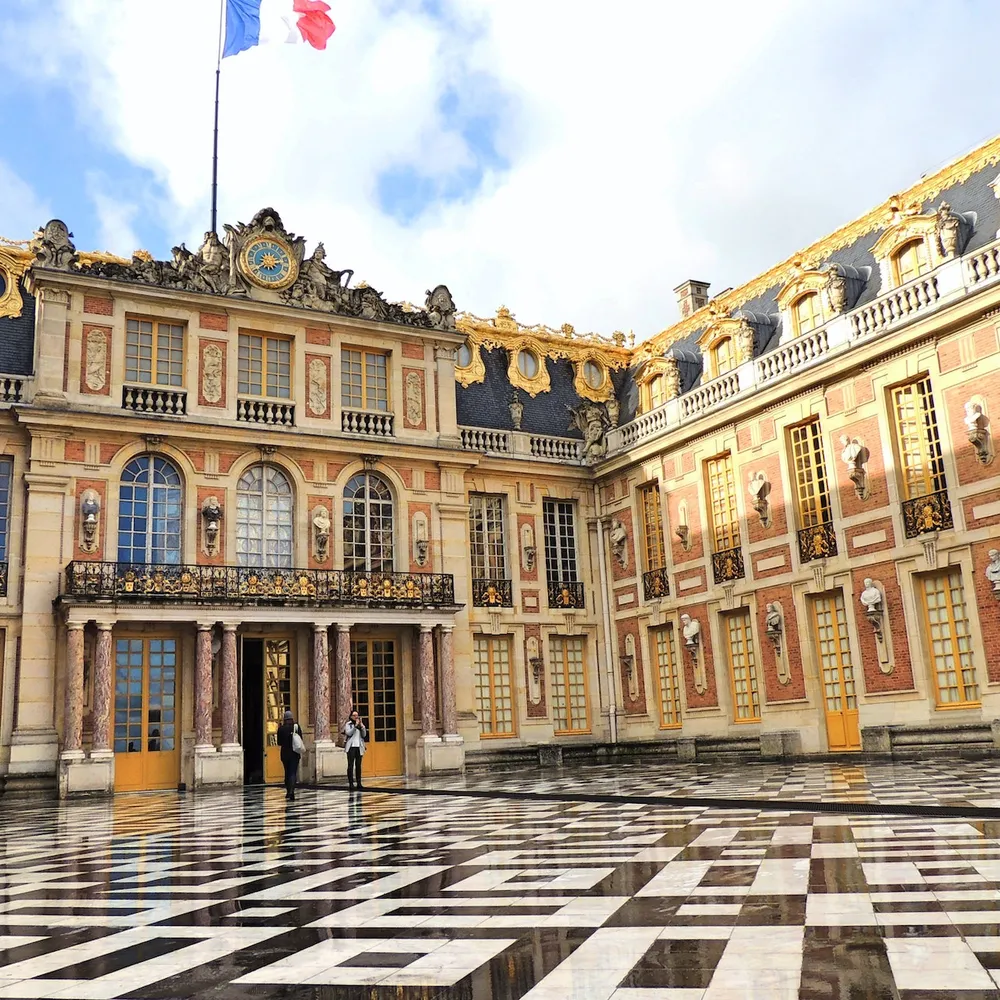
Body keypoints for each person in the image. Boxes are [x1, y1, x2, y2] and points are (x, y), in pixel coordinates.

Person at [276, 709, 303, 802]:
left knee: (287, 772)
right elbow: (301, 739)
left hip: (285, 753)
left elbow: (279, 742)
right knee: (293, 772)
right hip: (294, 753)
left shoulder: (281, 728)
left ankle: (288, 791)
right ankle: (292, 791)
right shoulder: (296, 727)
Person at [344, 710, 368, 791]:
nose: (356, 717)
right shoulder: (348, 724)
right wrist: (355, 726)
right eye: (354, 715)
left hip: (359, 746)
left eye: (357, 715)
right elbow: (349, 733)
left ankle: (359, 783)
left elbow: (364, 735)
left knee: (358, 765)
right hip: (351, 747)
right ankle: (351, 783)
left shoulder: (361, 724)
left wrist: (362, 727)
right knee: (350, 765)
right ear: (351, 716)